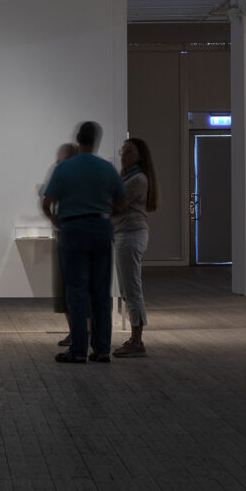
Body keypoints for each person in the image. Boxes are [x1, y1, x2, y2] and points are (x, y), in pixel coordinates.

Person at [42, 122, 127, 364]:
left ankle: (78, 350)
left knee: (77, 292)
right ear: (96, 141)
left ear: (78, 139)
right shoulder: (106, 169)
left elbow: (47, 202)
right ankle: (102, 350)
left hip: (73, 229)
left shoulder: (65, 169)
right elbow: (123, 203)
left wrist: (56, 220)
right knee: (101, 292)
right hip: (100, 228)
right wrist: (105, 214)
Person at [112, 138, 158, 358]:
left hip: (131, 235)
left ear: (140, 155)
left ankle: (137, 341)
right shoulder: (127, 177)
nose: (124, 155)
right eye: (123, 151)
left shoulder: (137, 179)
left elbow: (115, 203)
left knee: (132, 289)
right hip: (123, 234)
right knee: (127, 289)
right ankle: (134, 338)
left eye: (129, 151)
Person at [40, 142, 78, 347]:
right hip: (80, 233)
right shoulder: (87, 172)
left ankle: (79, 335)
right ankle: (83, 334)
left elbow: (46, 201)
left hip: (68, 235)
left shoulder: (60, 172)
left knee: (69, 286)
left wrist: (55, 220)